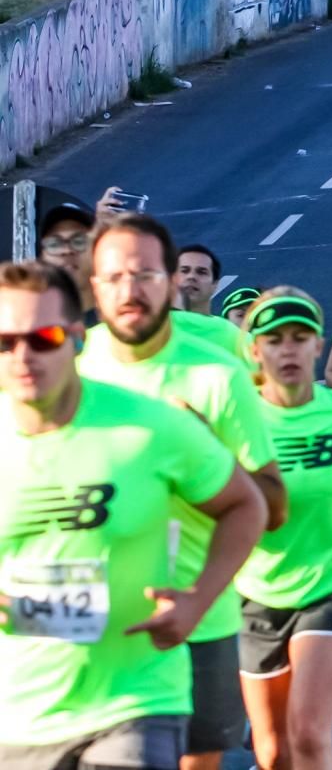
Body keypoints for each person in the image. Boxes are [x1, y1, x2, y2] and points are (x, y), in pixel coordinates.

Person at [0, 260, 268, 770]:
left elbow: (246, 503)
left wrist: (197, 600)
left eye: (44, 337)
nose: (23, 356)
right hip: (20, 709)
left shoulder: (149, 424)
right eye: (4, 342)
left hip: (137, 696)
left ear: (76, 337)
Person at [80, 215, 288, 770]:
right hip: (85, 619)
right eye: (115, 276)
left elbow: (273, 506)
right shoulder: (71, 364)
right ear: (94, 285)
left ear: (171, 282)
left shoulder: (217, 374)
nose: (131, 290)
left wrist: (206, 453)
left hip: (198, 614)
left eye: (146, 274)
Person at [235, 288, 332, 770]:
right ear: (255, 350)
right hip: (255, 590)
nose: (289, 349)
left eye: (300, 338)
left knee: (309, 733)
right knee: (273, 750)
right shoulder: (235, 417)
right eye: (274, 339)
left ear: (318, 346)